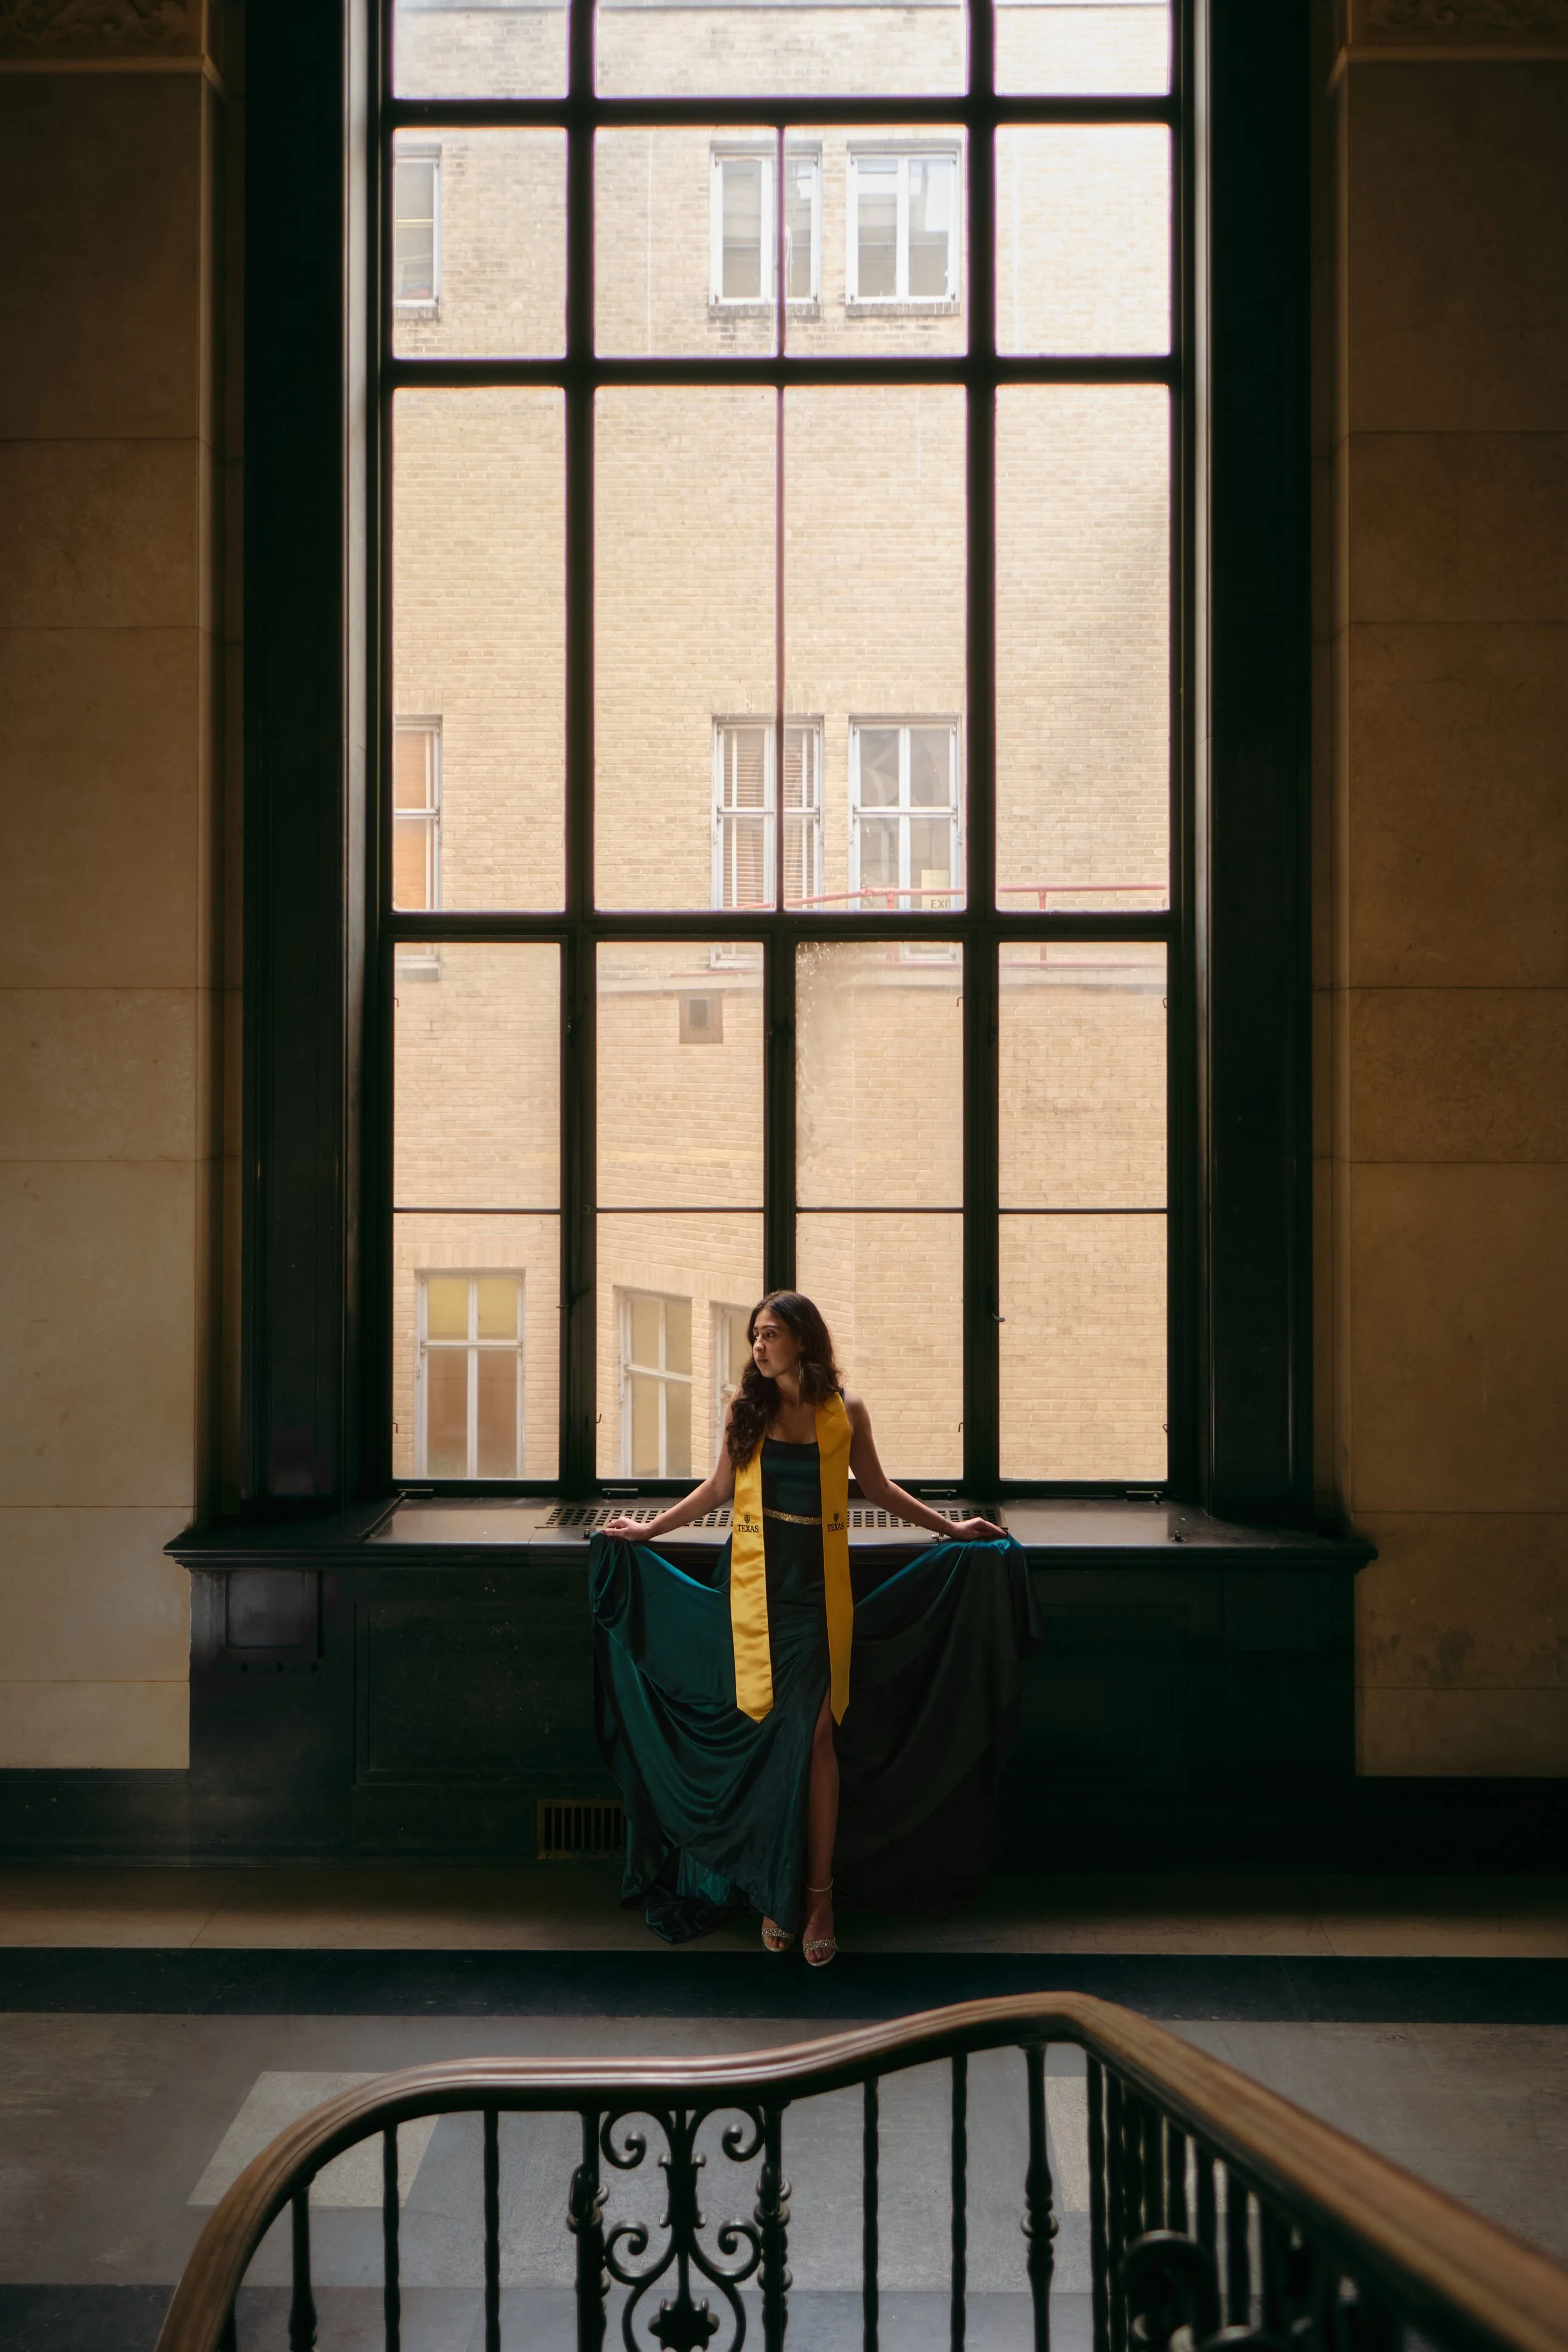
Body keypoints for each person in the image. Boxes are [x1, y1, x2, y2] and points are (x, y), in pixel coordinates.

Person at [590, 1291, 1038, 1957]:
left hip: (818, 1602)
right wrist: (649, 1528)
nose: (758, 1347)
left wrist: (952, 1526)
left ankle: (818, 1897)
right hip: (751, 1596)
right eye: (753, 1336)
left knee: (819, 1740)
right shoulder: (746, 1408)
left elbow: (880, 1490)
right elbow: (716, 1489)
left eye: (769, 1334)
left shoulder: (844, 1409)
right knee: (772, 1739)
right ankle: (776, 1889)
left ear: (803, 1339)